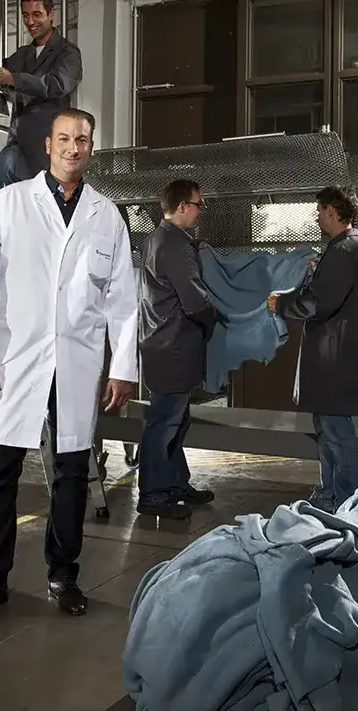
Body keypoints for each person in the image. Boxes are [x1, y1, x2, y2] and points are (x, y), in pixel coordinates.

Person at [0, 108, 137, 623]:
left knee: (73, 471)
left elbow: (123, 300)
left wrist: (123, 367)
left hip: (77, 362)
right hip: (16, 360)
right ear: (48, 143)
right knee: (0, 473)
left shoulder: (107, 215)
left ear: (91, 147)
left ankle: (63, 574)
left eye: (82, 140)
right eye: (64, 139)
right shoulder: (10, 204)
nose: (73, 148)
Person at [267, 185, 358, 512]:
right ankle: (330, 495)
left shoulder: (343, 252)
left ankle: (345, 501)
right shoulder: (351, 249)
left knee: (337, 432)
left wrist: (282, 303)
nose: (317, 217)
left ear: (332, 211)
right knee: (328, 430)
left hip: (333, 359)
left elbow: (320, 304)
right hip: (339, 355)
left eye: (319, 211)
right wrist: (320, 274)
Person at [136, 179, 220, 520]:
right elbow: (193, 299)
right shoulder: (175, 245)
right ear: (183, 206)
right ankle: (154, 494)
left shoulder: (156, 238)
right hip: (173, 345)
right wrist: (217, 316)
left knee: (175, 420)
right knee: (164, 423)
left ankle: (173, 483)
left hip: (161, 343)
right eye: (199, 204)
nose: (200, 211)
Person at [0, 0, 83, 190]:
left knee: (46, 199)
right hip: (20, 141)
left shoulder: (68, 53)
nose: (30, 22)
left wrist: (15, 80)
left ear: (51, 14)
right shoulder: (23, 55)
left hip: (48, 143)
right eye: (26, 15)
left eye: (37, 14)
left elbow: (56, 85)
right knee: (2, 170)